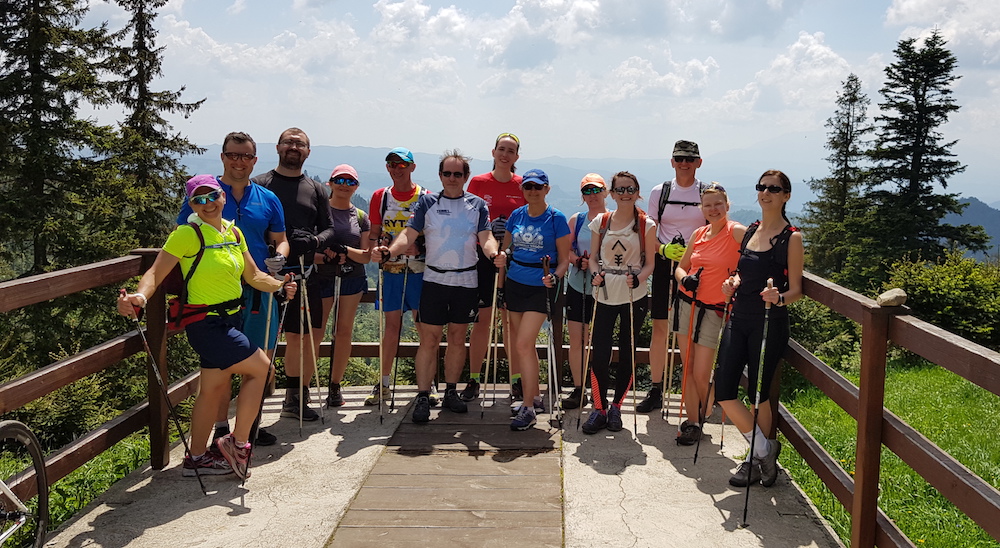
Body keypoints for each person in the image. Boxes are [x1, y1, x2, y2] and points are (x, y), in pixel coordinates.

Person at [118, 175, 297, 480]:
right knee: (262, 369)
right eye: (198, 200)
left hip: (231, 318)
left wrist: (280, 285)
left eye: (212, 196)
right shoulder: (187, 235)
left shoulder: (234, 233)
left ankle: (197, 458)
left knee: (211, 390)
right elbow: (155, 272)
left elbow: (253, 276)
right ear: (191, 205)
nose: (207, 204)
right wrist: (140, 297)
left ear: (222, 196)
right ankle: (238, 444)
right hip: (206, 323)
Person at [176, 131, 289, 448]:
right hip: (216, 294)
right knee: (225, 365)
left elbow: (281, 239)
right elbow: (183, 238)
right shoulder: (206, 193)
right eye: (233, 155)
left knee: (260, 358)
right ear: (223, 157)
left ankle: (248, 428)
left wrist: (280, 258)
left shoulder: (268, 199)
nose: (239, 162)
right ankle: (222, 429)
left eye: (246, 156)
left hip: (258, 287)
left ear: (255, 160)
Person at [377, 150, 500, 423]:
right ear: (440, 175)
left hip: (466, 281)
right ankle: (423, 396)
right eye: (447, 173)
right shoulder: (427, 202)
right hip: (434, 280)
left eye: (457, 174)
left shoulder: (478, 205)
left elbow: (486, 237)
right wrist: (389, 252)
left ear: (466, 177)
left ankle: (450, 392)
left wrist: (494, 254)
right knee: (429, 340)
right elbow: (408, 234)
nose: (452, 178)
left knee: (457, 338)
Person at [716, 170, 803, 488]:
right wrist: (733, 283)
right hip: (739, 318)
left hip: (769, 322)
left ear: (786, 196)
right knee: (723, 391)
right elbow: (743, 273)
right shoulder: (751, 230)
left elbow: (797, 290)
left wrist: (778, 297)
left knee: (759, 394)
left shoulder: (791, 238)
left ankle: (756, 461)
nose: (765, 192)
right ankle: (765, 451)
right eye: (762, 187)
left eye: (774, 188)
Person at [252, 127, 335, 422]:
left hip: (303, 274)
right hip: (265, 277)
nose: (294, 147)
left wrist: (313, 242)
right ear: (277, 147)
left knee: (299, 339)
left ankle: (294, 398)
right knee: (263, 341)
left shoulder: (316, 189)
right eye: (288, 142)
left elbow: (329, 228)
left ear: (308, 152)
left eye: (300, 144)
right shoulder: (259, 185)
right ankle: (254, 409)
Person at [581, 171, 657, 435]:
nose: (625, 194)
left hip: (633, 295)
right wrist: (595, 274)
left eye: (630, 189)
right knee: (599, 354)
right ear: (612, 194)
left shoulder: (647, 224)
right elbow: (593, 258)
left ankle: (616, 407)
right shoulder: (601, 222)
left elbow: (650, 264)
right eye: (620, 189)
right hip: (604, 293)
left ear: (637, 192)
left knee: (628, 353)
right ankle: (599, 408)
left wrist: (639, 279)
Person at [495, 169, 571, 431]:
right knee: (522, 346)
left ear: (547, 189)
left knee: (523, 344)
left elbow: (564, 260)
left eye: (538, 187)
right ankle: (535, 396)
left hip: (541, 287)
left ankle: (528, 408)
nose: (533, 191)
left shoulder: (556, 218)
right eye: (528, 186)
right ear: (523, 189)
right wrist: (501, 284)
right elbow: (506, 250)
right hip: (515, 284)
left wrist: (555, 277)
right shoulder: (517, 215)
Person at [671, 183, 744, 445]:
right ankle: (694, 421)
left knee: (702, 373)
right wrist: (685, 279)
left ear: (727, 205)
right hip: (686, 304)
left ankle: (706, 408)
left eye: (718, 204)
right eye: (708, 205)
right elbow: (680, 268)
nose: (713, 209)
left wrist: (736, 280)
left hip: (714, 310)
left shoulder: (736, 232)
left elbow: (751, 261)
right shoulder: (699, 233)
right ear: (702, 208)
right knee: (688, 368)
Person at [639, 140, 708, 413]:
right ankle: (656, 388)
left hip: (696, 267)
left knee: (691, 330)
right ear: (672, 162)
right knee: (660, 328)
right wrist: (662, 249)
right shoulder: (660, 192)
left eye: (689, 159)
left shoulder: (706, 192)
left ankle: (692, 388)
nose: (684, 163)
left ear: (698, 162)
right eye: (679, 158)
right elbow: (649, 231)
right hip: (663, 264)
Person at [366, 147, 431, 406]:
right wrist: (377, 246)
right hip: (391, 271)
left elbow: (434, 235)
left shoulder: (425, 197)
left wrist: (421, 247)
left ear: (412, 167)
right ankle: (383, 384)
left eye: (402, 165)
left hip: (419, 272)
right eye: (392, 165)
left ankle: (427, 385)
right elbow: (374, 233)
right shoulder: (380, 197)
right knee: (391, 329)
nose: (396, 169)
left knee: (424, 328)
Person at [466, 132, 525, 401]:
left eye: (510, 151)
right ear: (493, 152)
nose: (505, 154)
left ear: (516, 157)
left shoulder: (522, 185)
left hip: (514, 260)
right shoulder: (478, 182)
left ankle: (516, 380)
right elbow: (467, 218)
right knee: (482, 321)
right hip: (482, 259)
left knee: (511, 322)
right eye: (501, 149)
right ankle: (474, 379)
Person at [313, 164, 372, 406]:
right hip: (321, 277)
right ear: (330, 183)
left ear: (356, 186)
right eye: (340, 180)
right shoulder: (318, 212)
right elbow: (307, 249)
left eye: (350, 182)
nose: (344, 185)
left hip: (351, 278)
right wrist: (325, 257)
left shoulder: (361, 217)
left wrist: (344, 250)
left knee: (343, 332)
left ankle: (335, 386)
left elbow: (366, 256)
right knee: (316, 333)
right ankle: (304, 386)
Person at [563, 173, 609, 410]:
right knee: (577, 339)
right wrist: (577, 260)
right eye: (587, 191)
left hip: (606, 287)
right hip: (577, 284)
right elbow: (565, 250)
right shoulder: (577, 219)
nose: (592, 195)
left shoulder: (614, 220)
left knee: (601, 340)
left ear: (605, 192)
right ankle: (580, 389)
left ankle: (599, 390)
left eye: (596, 190)